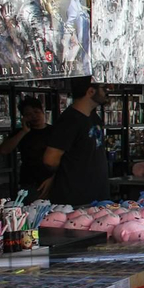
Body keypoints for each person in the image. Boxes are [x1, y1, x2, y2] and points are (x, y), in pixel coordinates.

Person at [39, 76, 110, 206]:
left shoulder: (93, 116)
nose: (107, 91)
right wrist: (54, 175)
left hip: (97, 196)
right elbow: (50, 159)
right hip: (77, 198)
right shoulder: (70, 120)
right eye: (103, 88)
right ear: (91, 91)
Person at [1, 96, 52, 194]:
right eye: (29, 114)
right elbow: (4, 150)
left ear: (43, 112)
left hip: (50, 179)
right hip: (29, 181)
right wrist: (24, 131)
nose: (34, 116)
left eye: (36, 112)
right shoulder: (20, 133)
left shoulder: (54, 131)